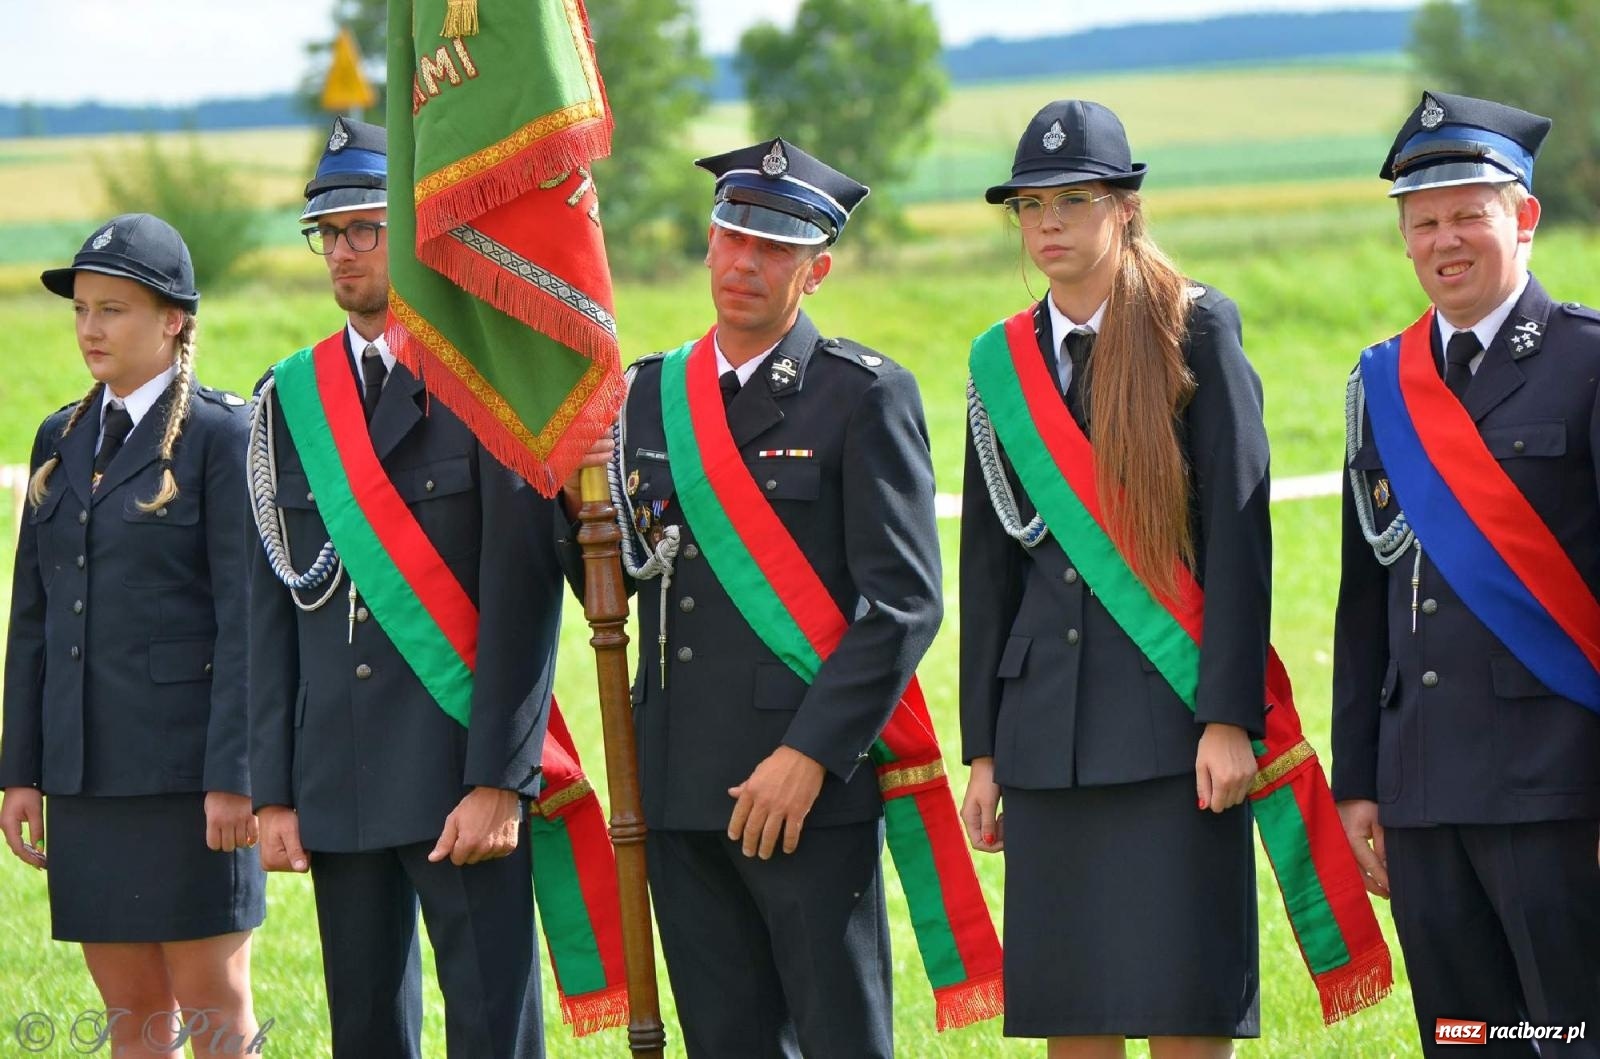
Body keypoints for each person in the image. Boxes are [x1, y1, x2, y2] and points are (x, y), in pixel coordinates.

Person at [559, 138, 943, 1058]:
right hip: (679, 777)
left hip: (803, 786)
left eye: (772, 247)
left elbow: (903, 602)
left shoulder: (863, 396)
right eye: (731, 236)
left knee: (838, 1034)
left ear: (818, 268)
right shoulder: (644, 397)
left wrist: (809, 756)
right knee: (724, 1040)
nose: (743, 262)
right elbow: (607, 576)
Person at [246, 117, 563, 1059]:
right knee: (364, 1034)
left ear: (420, 231)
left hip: (454, 775)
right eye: (328, 233)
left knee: (490, 1028)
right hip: (336, 779)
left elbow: (521, 603)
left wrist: (500, 780)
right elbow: (271, 607)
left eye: (364, 228)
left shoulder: (482, 382)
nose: (342, 252)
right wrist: (275, 791)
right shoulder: (287, 396)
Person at [960, 100, 1267, 1057]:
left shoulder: (1196, 328)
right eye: (1030, 204)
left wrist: (1228, 717)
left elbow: (1240, 541)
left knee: (1184, 1011)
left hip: (1173, 729)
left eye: (1074, 199)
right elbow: (988, 561)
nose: (1048, 222)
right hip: (1047, 736)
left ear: (1126, 207)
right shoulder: (999, 361)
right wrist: (984, 748)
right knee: (1075, 1023)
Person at [1333, 91, 1600, 1056]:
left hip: (1557, 785)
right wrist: (1358, 781)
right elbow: (1364, 597)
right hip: (1421, 786)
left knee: (1570, 1032)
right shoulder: (1381, 382)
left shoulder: (1587, 362)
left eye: (1467, 215)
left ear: (1523, 218)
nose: (1445, 241)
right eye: (1424, 222)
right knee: (1465, 1038)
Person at [0, 214, 263, 1056]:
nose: (89, 329)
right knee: (133, 1018)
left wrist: (235, 776)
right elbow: (32, 619)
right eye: (81, 309)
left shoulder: (224, 436)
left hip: (189, 783)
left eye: (112, 309)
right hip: (86, 780)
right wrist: (23, 772)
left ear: (174, 318)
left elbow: (248, 619)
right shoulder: (60, 438)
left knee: (215, 1009)